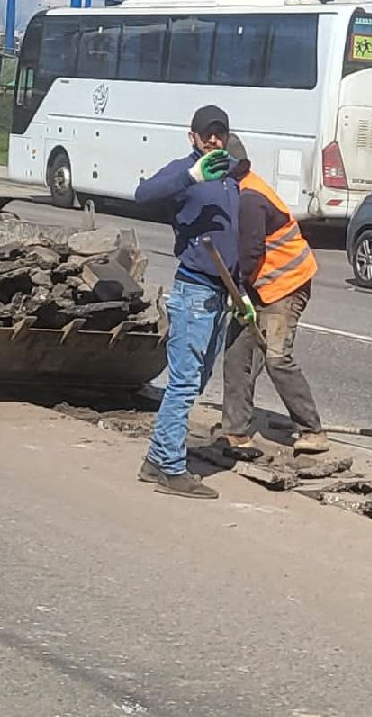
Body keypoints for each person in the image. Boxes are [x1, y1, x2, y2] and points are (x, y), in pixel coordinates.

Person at [134, 105, 247, 499]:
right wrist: (190, 176)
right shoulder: (186, 172)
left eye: (220, 133)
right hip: (194, 291)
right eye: (207, 134)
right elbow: (142, 194)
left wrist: (242, 292)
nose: (214, 140)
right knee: (183, 383)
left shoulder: (232, 176)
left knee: (195, 381)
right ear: (193, 137)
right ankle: (169, 467)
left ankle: (155, 460)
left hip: (222, 293)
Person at [218, 134, 329, 456]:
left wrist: (236, 291)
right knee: (238, 356)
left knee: (277, 357)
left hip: (286, 286)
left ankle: (312, 430)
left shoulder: (250, 197)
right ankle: (235, 431)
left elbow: (250, 254)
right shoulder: (236, 191)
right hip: (258, 287)